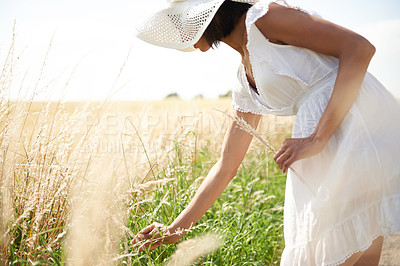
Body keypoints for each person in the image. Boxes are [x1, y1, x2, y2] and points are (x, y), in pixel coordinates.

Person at [132, 0, 400, 265]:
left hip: (359, 122)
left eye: (182, 22)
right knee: (357, 245)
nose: (181, 34)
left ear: (208, 12)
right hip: (323, 143)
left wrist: (318, 137)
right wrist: (175, 229)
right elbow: (226, 165)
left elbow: (359, 48)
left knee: (337, 246)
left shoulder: (264, 18)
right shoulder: (244, 80)